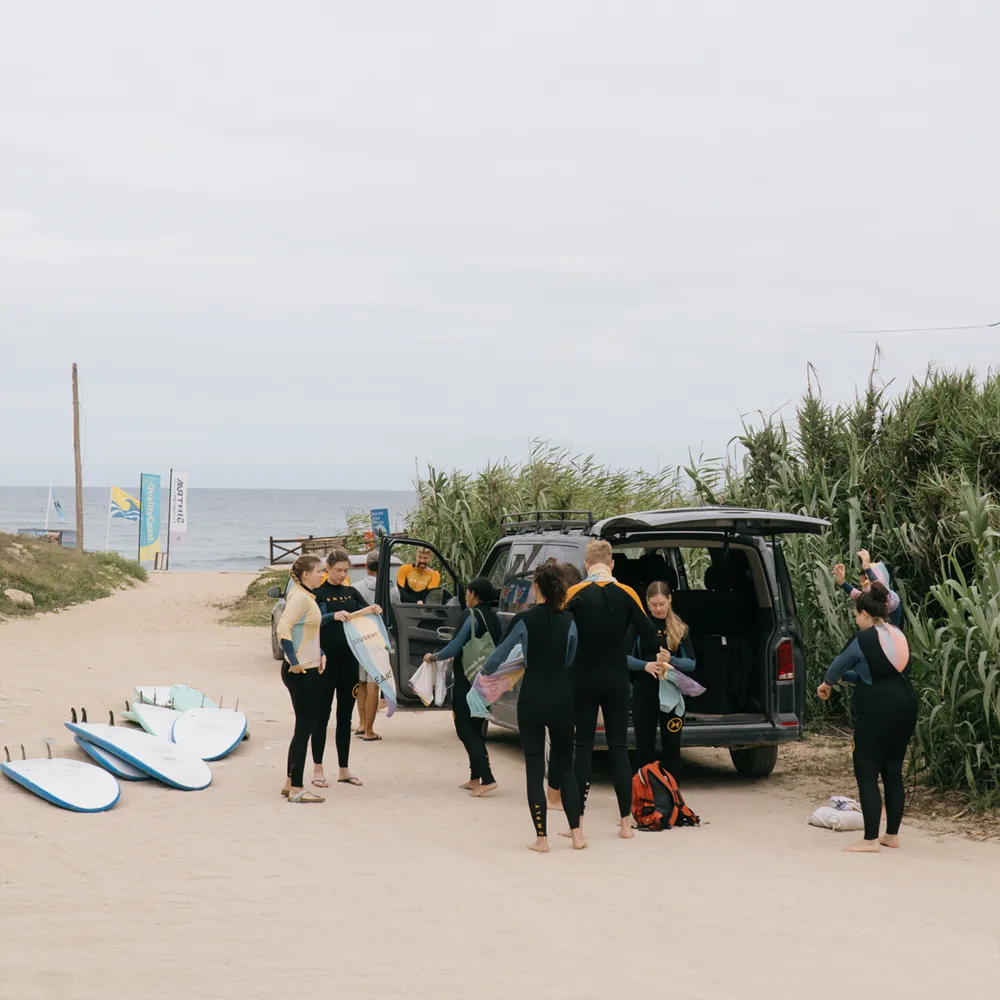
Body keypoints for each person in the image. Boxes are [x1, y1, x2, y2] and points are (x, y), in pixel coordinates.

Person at [481, 563, 585, 852]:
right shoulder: (570, 621)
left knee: (535, 765)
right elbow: (570, 657)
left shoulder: (524, 620)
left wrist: (484, 676)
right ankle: (577, 834)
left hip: (533, 698)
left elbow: (497, 657)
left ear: (536, 587)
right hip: (562, 697)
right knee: (565, 766)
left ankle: (542, 838)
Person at [565, 539, 659, 839]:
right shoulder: (627, 593)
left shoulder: (574, 593)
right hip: (617, 677)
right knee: (619, 748)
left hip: (583, 676)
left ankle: (577, 826)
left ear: (586, 564)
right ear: (613, 564)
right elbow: (650, 637)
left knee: (583, 747)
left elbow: (560, 632)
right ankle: (624, 824)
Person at [817, 581, 917, 853]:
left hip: (877, 709)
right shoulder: (897, 632)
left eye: (855, 614)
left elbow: (838, 665)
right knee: (893, 770)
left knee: (867, 768)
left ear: (864, 614)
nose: (855, 619)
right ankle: (892, 835)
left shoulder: (863, 639)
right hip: (906, 703)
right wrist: (839, 680)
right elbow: (869, 673)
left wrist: (827, 683)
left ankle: (870, 839)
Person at [310, 548, 384, 789]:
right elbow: (313, 622)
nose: (342, 575)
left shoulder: (351, 592)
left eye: (345, 570)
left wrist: (375, 610)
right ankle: (318, 769)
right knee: (322, 716)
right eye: (338, 570)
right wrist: (334, 615)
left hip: (349, 662)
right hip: (325, 662)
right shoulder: (317, 593)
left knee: (345, 717)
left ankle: (343, 769)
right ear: (327, 569)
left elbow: (365, 615)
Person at [423, 577, 502, 796]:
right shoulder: (493, 617)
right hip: (485, 679)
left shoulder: (470, 615)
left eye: (467, 593)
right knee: (475, 727)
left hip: (467, 680)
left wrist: (434, 657)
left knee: (465, 729)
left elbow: (455, 646)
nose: (466, 597)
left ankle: (487, 778)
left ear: (474, 595)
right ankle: (474, 777)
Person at [627, 580, 697, 777]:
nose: (658, 609)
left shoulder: (679, 628)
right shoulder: (639, 625)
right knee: (644, 748)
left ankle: (672, 799)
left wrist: (672, 660)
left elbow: (692, 663)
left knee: (672, 748)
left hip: (671, 693)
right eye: (654, 605)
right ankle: (644, 798)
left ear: (669, 600)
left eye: (662, 604)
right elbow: (623, 658)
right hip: (644, 691)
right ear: (647, 603)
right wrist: (645, 666)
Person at [276, 554, 328, 804]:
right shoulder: (300, 597)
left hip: (307, 667)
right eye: (319, 571)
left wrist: (320, 652)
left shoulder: (304, 595)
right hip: (302, 673)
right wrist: (294, 662)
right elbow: (283, 629)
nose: (322, 575)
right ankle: (297, 786)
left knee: (303, 727)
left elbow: (304, 631)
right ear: (306, 574)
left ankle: (289, 782)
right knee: (304, 729)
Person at [351, 549, 392, 739]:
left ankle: (360, 723)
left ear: (366, 566)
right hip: (379, 640)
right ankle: (369, 729)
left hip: (360, 639)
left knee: (361, 683)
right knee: (374, 684)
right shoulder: (392, 588)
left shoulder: (357, 587)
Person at [834, 549, 903, 627]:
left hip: (893, 621)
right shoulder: (872, 597)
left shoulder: (890, 599)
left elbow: (879, 589)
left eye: (867, 580)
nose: (865, 585)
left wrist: (867, 568)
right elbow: (859, 596)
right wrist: (842, 583)